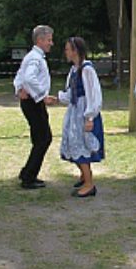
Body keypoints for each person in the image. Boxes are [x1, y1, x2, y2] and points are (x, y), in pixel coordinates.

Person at [56, 37, 104, 198]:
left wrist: (90, 117)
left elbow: (93, 94)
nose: (66, 52)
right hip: (75, 113)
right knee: (74, 144)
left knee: (81, 146)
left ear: (75, 51)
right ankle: (85, 178)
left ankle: (89, 184)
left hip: (84, 114)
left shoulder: (87, 69)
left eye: (68, 49)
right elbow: (72, 93)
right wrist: (57, 98)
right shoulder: (74, 70)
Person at [13, 25, 56, 190]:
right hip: (33, 102)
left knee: (41, 138)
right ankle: (29, 176)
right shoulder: (34, 58)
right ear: (40, 40)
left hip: (31, 101)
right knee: (43, 138)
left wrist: (19, 89)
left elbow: (20, 76)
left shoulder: (32, 57)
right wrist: (41, 96)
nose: (51, 43)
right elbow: (29, 78)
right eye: (49, 40)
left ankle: (27, 172)